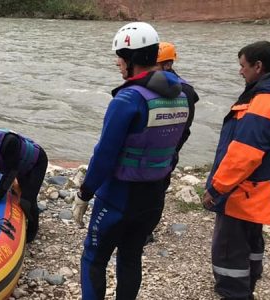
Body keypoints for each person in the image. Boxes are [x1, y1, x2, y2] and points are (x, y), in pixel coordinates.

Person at [72, 22, 190, 299]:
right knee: (130, 255)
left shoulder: (127, 99)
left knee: (94, 258)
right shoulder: (181, 96)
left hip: (118, 197)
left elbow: (104, 154)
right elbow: (174, 147)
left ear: (131, 59)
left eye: (119, 57)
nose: (117, 64)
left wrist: (85, 192)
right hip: (153, 197)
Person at [202, 41, 270, 300]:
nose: (240, 72)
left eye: (243, 66)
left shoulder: (264, 101)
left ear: (258, 67)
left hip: (242, 194)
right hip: (262, 192)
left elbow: (245, 153)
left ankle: (235, 292)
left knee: (228, 253)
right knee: (252, 244)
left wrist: (216, 188)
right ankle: (249, 284)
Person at [144, 41, 200, 245]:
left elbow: (185, 128)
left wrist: (171, 151)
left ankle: (147, 231)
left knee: (157, 190)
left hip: (166, 150)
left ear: (167, 65)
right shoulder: (153, 83)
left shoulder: (184, 91)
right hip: (155, 148)